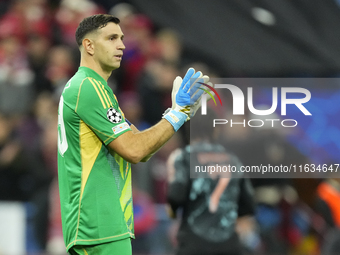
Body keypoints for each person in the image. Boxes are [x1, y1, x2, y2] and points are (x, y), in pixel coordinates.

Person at [57, 14, 209, 255]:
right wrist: (178, 114)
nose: (122, 45)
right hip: (98, 225)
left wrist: (176, 113)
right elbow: (135, 150)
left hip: (102, 225)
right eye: (112, 38)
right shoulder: (89, 88)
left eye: (122, 38)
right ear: (89, 45)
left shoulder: (95, 89)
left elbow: (142, 147)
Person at [166, 108, 256, 255]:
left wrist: (174, 211)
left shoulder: (183, 158)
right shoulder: (233, 160)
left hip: (193, 244)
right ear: (216, 130)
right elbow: (249, 205)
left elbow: (175, 196)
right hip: (229, 245)